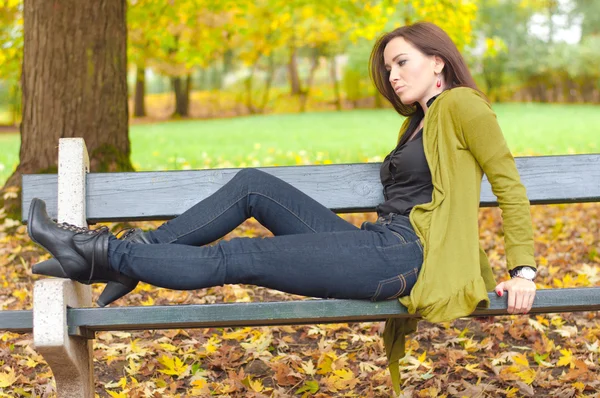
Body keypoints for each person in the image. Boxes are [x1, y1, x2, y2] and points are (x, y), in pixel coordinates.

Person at [27, 21, 537, 394]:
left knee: (240, 258)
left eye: (402, 62)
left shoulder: (463, 106)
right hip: (382, 242)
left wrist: (523, 271)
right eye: (389, 67)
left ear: (438, 61)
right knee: (254, 186)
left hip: (407, 257)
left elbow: (508, 184)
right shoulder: (418, 123)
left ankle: (103, 255)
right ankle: (127, 253)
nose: (394, 75)